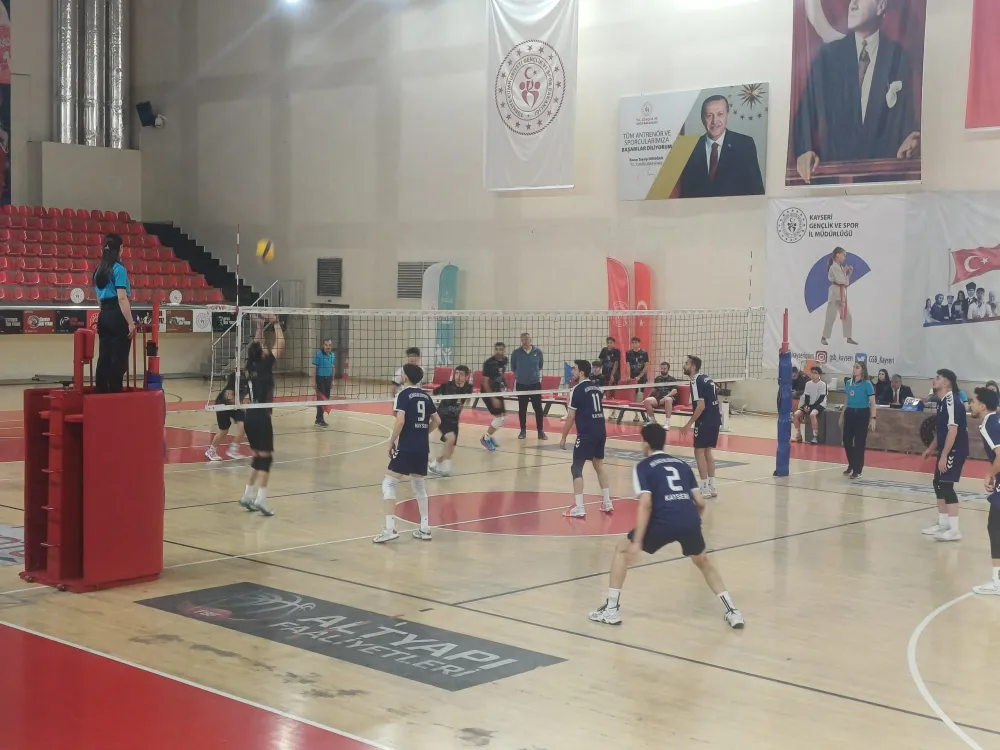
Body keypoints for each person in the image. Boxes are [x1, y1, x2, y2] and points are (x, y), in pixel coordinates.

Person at [588, 422, 745, 629]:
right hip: (688, 519)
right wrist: (691, 522)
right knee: (703, 562)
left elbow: (646, 504)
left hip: (663, 520)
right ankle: (733, 611)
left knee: (621, 549)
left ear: (645, 444)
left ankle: (611, 610)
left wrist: (637, 541)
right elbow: (700, 502)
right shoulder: (682, 465)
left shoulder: (643, 467)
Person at [792, 0, 920, 184]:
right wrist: (804, 151)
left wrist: (912, 139)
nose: (852, 5)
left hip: (882, 183)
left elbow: (907, 117)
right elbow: (804, 115)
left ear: (881, 6)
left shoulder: (900, 58)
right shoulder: (828, 57)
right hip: (834, 183)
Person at [374, 363, 440, 544]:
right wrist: (422, 433)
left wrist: (391, 441)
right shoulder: (426, 396)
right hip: (422, 447)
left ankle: (390, 529)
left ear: (406, 377)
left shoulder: (402, 395)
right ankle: (425, 528)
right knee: (419, 486)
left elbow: (400, 421)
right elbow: (437, 420)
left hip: (407, 447)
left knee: (389, 483)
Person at [238, 315, 285, 517]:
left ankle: (247, 495)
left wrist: (259, 327)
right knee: (266, 459)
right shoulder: (265, 366)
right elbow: (280, 344)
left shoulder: (249, 366)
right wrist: (276, 324)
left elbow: (257, 345)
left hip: (250, 416)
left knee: (258, 456)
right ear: (262, 354)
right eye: (264, 347)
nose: (266, 347)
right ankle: (261, 499)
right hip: (262, 416)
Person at [678, 94, 764, 198]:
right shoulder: (690, 148)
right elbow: (685, 194)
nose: (714, 121)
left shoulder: (744, 145)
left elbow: (756, 192)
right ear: (702, 118)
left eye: (720, 114)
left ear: (727, 115)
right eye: (709, 115)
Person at [559, 360, 613, 518]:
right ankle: (607, 502)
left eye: (575, 369)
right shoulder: (596, 388)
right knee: (599, 465)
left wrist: (563, 437)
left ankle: (579, 507)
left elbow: (570, 417)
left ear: (581, 373)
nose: (573, 372)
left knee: (576, 468)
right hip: (600, 431)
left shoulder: (576, 389)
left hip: (587, 433)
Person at [920, 368, 967, 542]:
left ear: (947, 382)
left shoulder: (952, 401)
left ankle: (955, 530)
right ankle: (943, 524)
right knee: (938, 484)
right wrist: (931, 449)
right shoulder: (941, 402)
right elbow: (941, 432)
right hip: (946, 449)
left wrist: (945, 455)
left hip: (955, 450)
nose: (934, 380)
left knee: (946, 485)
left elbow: (953, 431)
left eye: (938, 378)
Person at [92, 234, 135, 393]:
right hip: (117, 315)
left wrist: (106, 313)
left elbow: (98, 299)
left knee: (104, 355)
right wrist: (131, 323)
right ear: (120, 249)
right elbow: (122, 298)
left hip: (104, 314)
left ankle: (101, 391)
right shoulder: (119, 269)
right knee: (118, 356)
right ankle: (115, 391)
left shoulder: (98, 271)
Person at [970, 386, 1000, 595]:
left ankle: (997, 581)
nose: (970, 404)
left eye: (973, 401)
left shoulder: (989, 424)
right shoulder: (996, 419)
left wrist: (990, 473)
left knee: (995, 526)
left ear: (982, 406)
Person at [680, 355, 721, 498]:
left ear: (693, 367)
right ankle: (712, 487)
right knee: (707, 452)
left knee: (699, 452)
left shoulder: (695, 380)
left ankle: (703, 488)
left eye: (686, 363)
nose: (684, 365)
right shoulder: (707, 378)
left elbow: (701, 406)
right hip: (715, 419)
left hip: (705, 420)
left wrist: (688, 424)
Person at [429, 365, 473, 478]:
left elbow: (467, 400)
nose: (458, 377)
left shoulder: (468, 388)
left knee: (450, 449)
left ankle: (435, 463)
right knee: (451, 438)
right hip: (442, 417)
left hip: (454, 420)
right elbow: (431, 394)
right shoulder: (446, 386)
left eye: (461, 374)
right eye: (456, 373)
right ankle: (446, 469)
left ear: (466, 376)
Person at [840, 361, 876, 479]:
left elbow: (872, 402)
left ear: (862, 370)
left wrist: (873, 418)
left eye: (857, 367)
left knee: (859, 442)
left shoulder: (867, 384)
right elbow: (846, 400)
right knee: (846, 440)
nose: (854, 369)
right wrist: (842, 415)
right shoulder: (848, 383)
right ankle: (852, 463)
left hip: (862, 413)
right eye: (854, 367)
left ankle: (857, 470)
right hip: (850, 412)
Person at [511, 332, 546, 441]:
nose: (525, 341)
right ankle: (523, 431)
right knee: (522, 409)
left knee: (538, 409)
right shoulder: (516, 353)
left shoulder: (538, 352)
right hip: (521, 385)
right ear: (521, 341)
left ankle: (540, 431)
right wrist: (521, 375)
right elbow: (513, 367)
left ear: (531, 340)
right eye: (523, 339)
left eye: (527, 339)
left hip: (535, 384)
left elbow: (540, 365)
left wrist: (533, 375)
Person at [206, 369, 245, 461]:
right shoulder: (236, 377)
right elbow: (229, 396)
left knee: (244, 425)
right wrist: (241, 406)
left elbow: (241, 395)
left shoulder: (251, 379)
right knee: (224, 431)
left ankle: (233, 450)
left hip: (236, 404)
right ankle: (211, 451)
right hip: (223, 404)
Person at [822, 247, 857, 346]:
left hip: (841, 294)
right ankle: (824, 337)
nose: (845, 257)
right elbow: (840, 280)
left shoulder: (840, 267)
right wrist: (844, 271)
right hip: (834, 294)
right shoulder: (833, 267)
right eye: (843, 255)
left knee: (848, 316)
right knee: (830, 317)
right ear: (838, 255)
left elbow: (846, 283)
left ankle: (848, 337)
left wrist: (849, 272)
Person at [480, 342, 508, 452]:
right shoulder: (489, 363)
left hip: (497, 391)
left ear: (504, 351)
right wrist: (493, 398)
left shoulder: (504, 360)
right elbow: (485, 382)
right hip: (488, 392)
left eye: (500, 349)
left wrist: (507, 385)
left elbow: (501, 374)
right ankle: (486, 438)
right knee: (499, 418)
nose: (498, 351)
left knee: (502, 417)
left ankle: (489, 436)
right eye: (496, 349)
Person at [793, 366, 828, 444]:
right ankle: (798, 434)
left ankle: (815, 436)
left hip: (820, 404)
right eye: (812, 372)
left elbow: (821, 398)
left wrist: (811, 407)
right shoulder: (808, 384)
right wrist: (806, 406)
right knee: (796, 414)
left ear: (819, 375)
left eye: (815, 373)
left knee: (812, 414)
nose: (813, 374)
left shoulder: (823, 384)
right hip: (809, 404)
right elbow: (807, 396)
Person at [643, 362, 679, 427]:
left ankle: (667, 423)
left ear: (668, 369)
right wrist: (647, 397)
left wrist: (665, 398)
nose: (662, 370)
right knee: (647, 401)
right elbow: (654, 390)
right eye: (661, 368)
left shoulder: (672, 379)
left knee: (668, 400)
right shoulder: (658, 378)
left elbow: (675, 391)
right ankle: (653, 421)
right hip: (660, 398)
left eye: (664, 368)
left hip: (670, 398)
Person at [312, 339, 335, 428]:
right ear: (323, 345)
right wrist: (313, 381)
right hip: (320, 379)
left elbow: (332, 367)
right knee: (321, 400)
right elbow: (314, 367)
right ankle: (319, 420)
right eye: (326, 345)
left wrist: (332, 380)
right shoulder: (319, 355)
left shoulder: (332, 355)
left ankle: (321, 419)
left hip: (328, 379)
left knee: (326, 400)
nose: (328, 347)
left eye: (329, 345)